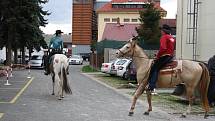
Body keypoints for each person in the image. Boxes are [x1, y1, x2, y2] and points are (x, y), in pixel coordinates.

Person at [147, 24, 176, 91]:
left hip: (164, 56)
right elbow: (172, 48)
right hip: (170, 56)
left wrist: (157, 56)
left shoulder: (164, 37)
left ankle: (151, 86)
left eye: (161, 30)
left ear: (164, 31)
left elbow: (163, 48)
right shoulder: (172, 38)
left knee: (154, 68)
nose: (161, 31)